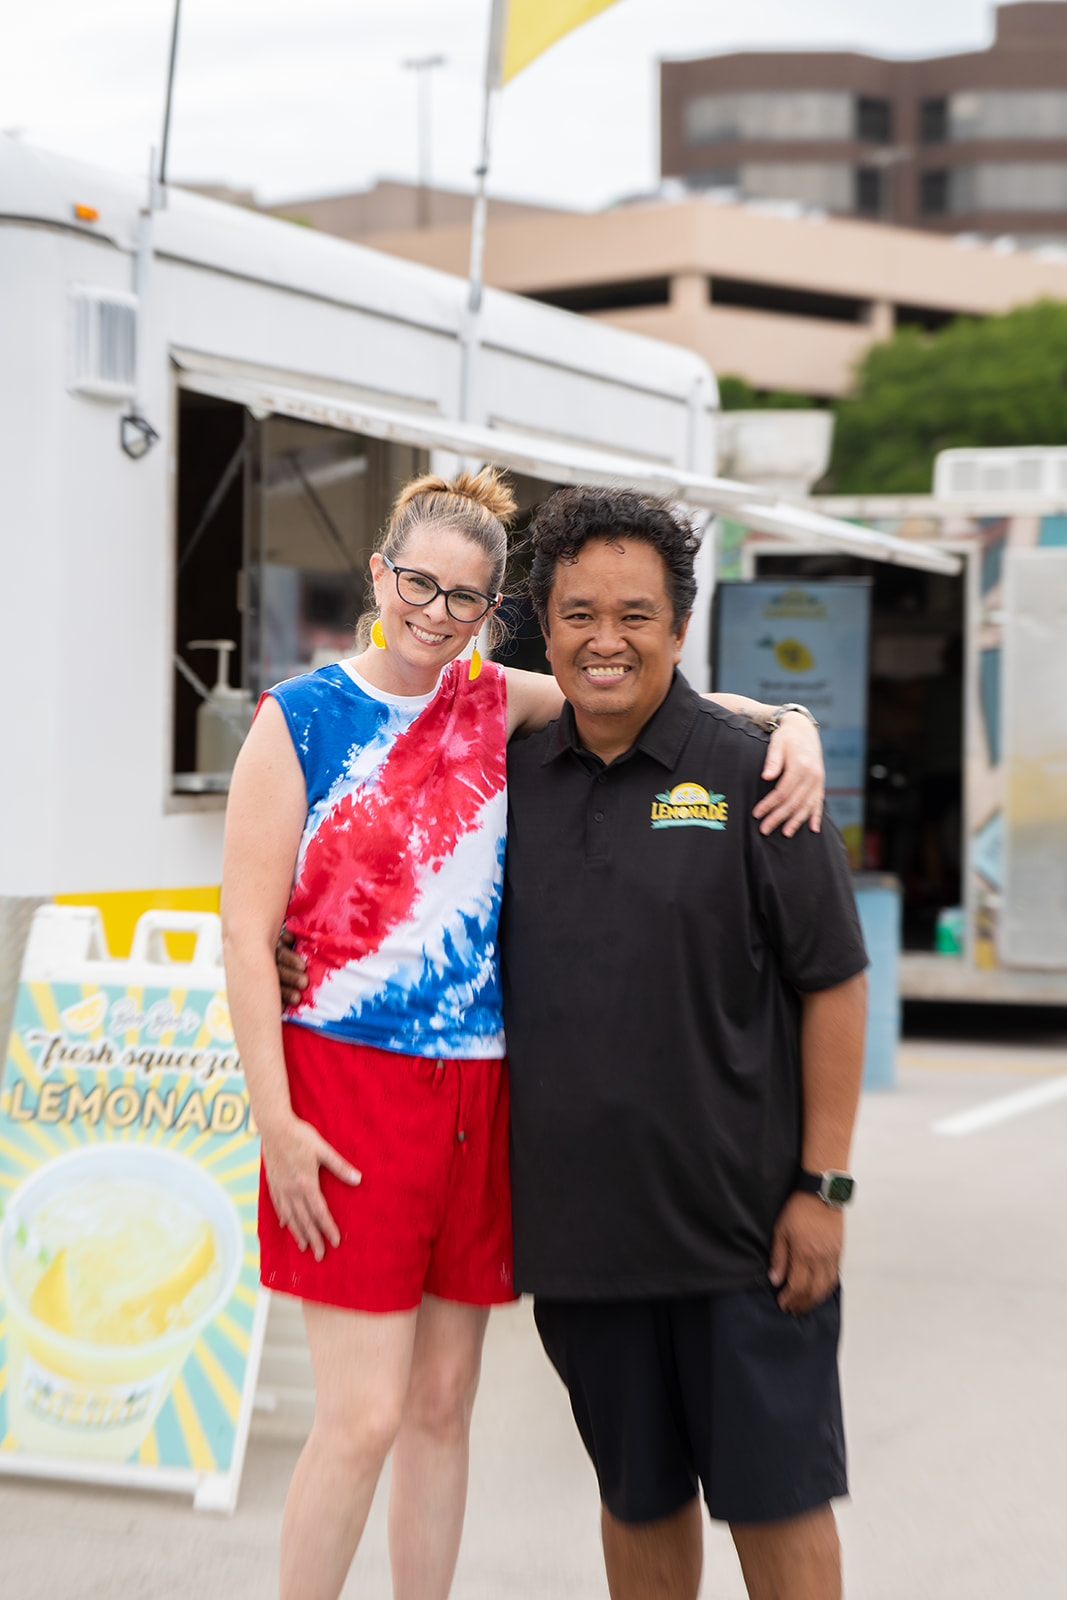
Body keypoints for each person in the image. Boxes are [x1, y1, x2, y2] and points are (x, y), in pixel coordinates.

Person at [239, 467, 826, 1600]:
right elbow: (240, 935)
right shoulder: (297, 716)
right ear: (379, 574)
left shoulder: (491, 700)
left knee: (443, 1404)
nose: (437, 613)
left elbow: (656, 703)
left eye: (466, 598)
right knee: (360, 1416)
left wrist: (790, 721)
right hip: (345, 1084)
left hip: (478, 1087)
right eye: (419, 584)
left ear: (491, 610)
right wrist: (276, 1121)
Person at [501, 487, 869, 1600]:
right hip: (580, 1240)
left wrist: (823, 1184)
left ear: (676, 626)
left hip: (744, 1240)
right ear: (542, 620)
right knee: (636, 1499)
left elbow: (834, 984)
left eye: (631, 614)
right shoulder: (506, 781)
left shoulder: (753, 770)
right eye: (575, 614)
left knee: (775, 1503)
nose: (602, 639)